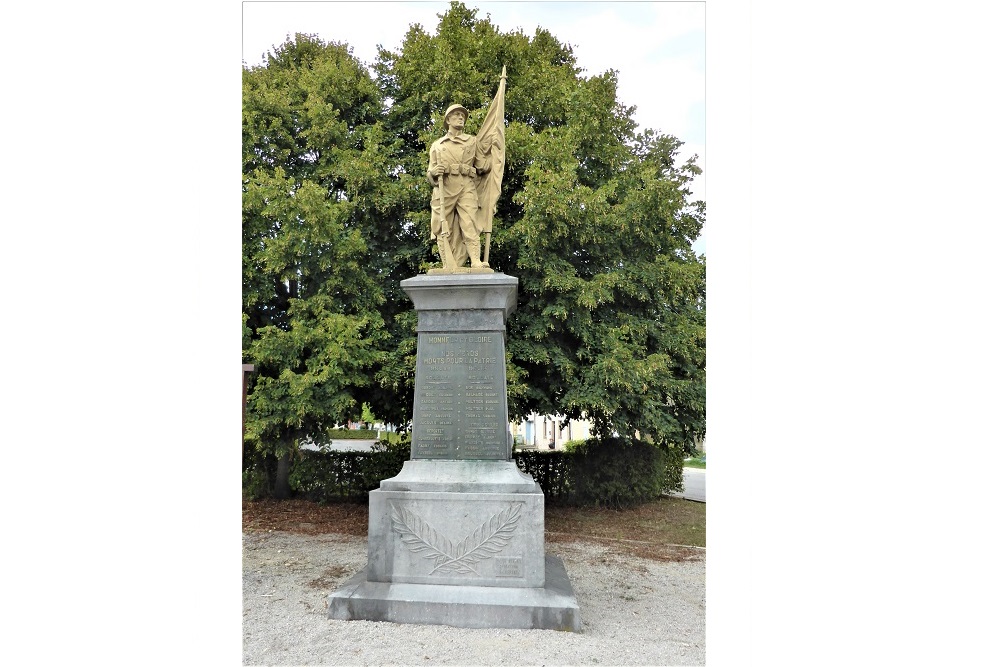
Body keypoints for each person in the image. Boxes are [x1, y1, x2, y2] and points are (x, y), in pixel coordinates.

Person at [427, 104, 492, 271]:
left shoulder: (472, 141)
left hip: (466, 186)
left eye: (462, 115)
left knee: (470, 222)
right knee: (442, 224)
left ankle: (476, 261)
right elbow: (430, 172)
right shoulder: (438, 145)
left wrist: (496, 151)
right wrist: (434, 172)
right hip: (445, 188)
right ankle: (447, 263)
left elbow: (483, 166)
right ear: (448, 120)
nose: (461, 117)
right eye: (456, 115)